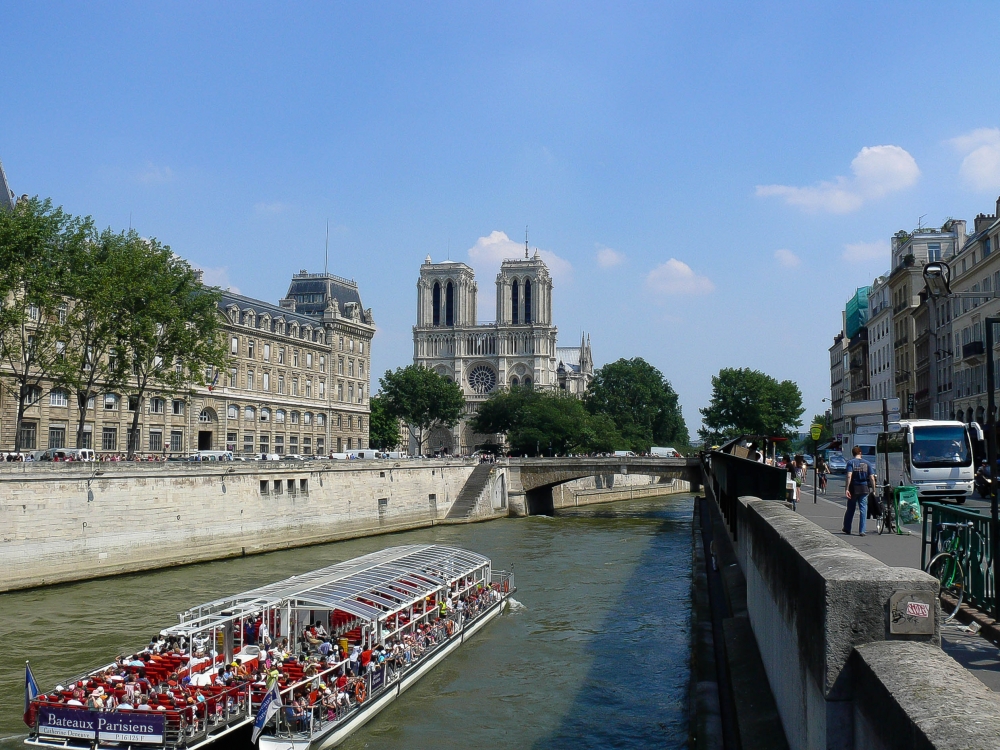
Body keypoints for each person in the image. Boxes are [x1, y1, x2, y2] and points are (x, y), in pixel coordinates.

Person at [843, 446, 875, 536]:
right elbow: (872, 477)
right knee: (863, 509)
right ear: (860, 453)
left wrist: (847, 489)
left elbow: (849, 476)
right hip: (864, 487)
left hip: (854, 487)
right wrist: (874, 489)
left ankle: (847, 528)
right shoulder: (867, 463)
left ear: (853, 454)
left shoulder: (850, 463)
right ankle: (862, 530)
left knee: (850, 509)